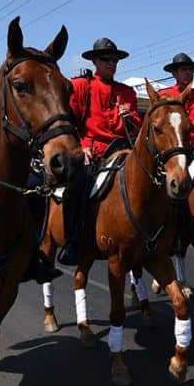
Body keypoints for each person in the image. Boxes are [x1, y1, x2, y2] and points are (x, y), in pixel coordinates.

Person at [59, 37, 142, 266]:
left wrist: (130, 118)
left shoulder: (127, 92)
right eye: (106, 59)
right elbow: (68, 121)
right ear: (94, 61)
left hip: (123, 149)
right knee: (75, 187)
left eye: (115, 60)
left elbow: (137, 125)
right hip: (92, 151)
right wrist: (79, 147)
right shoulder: (81, 86)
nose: (111, 63)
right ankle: (72, 241)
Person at [159, 53, 194, 146]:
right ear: (174, 74)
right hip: (173, 146)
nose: (188, 72)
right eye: (184, 70)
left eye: (191, 70)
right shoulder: (164, 96)